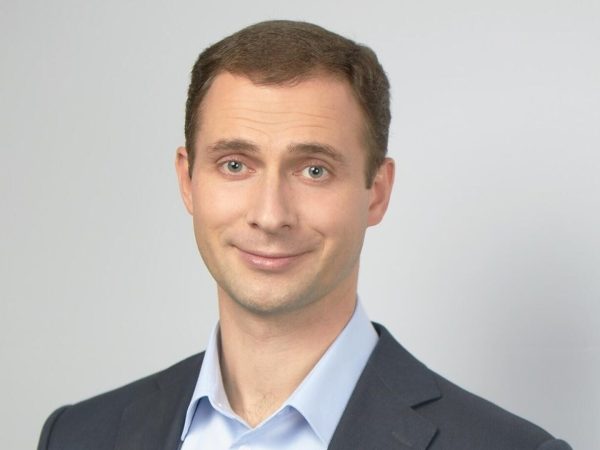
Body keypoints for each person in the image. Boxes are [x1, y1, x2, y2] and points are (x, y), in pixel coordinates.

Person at [37, 20, 571, 450]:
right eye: (235, 165)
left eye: (314, 170)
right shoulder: (78, 436)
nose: (270, 215)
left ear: (377, 192)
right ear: (188, 180)